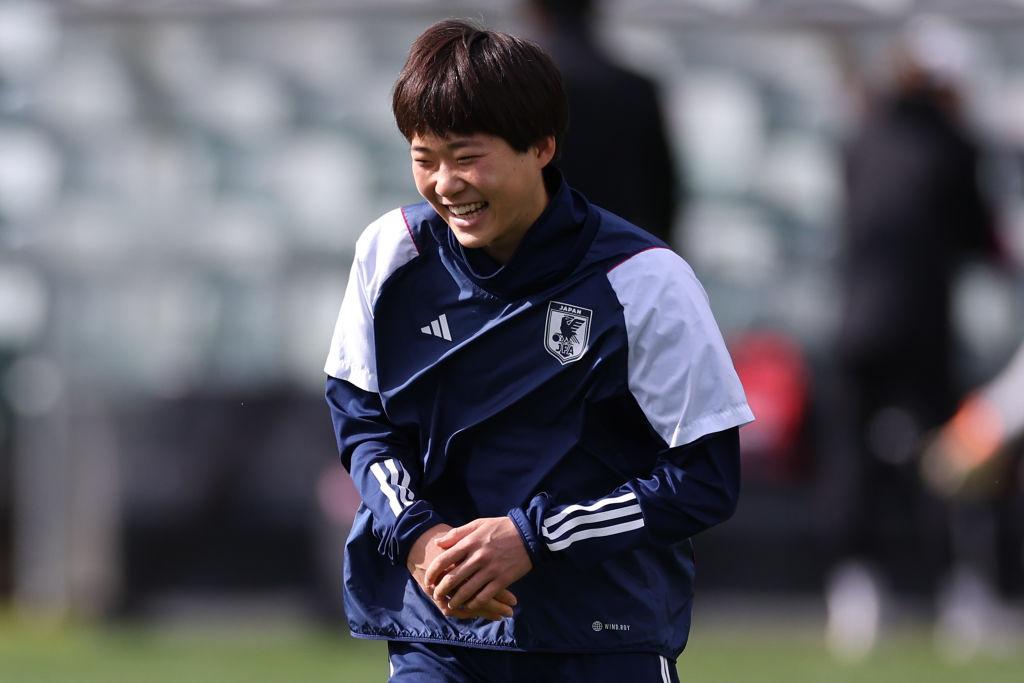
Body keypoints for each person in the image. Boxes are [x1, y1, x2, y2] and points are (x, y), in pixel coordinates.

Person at [324, 19, 753, 682]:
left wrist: (533, 537)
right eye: (424, 157)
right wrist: (418, 538)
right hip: (443, 635)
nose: (444, 183)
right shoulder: (390, 254)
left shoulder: (644, 280)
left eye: (466, 156)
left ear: (542, 147)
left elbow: (704, 479)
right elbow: (361, 417)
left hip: (607, 636)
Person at [524, 0, 680, 245]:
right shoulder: (636, 88)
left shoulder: (519, 88)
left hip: (547, 251)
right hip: (625, 251)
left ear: (536, 10)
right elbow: (662, 192)